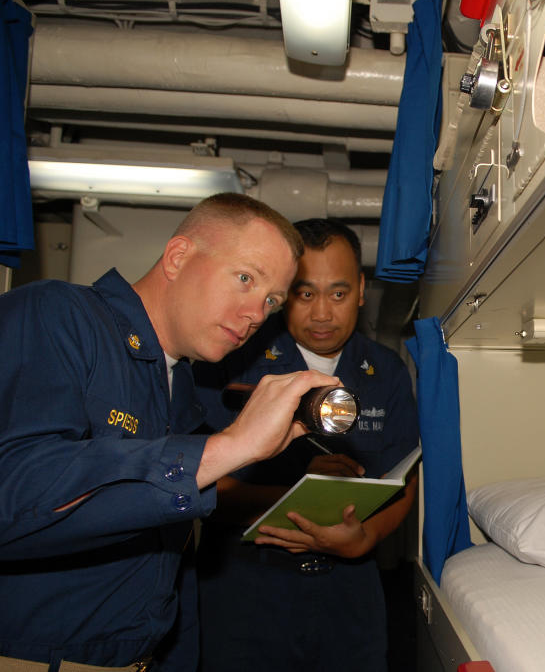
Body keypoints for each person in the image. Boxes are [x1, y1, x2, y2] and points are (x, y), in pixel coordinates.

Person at [0, 193, 343, 672]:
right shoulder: (58, 315)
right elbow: (14, 495)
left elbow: (167, 560)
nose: (254, 315)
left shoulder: (182, 383)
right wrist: (229, 447)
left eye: (270, 301)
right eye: (245, 278)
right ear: (179, 256)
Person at [193, 218, 420, 672]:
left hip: (351, 592)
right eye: (303, 293)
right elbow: (192, 479)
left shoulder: (386, 370)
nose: (321, 314)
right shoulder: (233, 363)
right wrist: (303, 495)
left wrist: (366, 538)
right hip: (245, 587)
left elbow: (404, 479)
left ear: (360, 289)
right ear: (281, 293)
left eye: (337, 294)